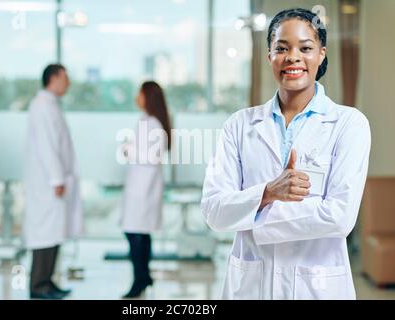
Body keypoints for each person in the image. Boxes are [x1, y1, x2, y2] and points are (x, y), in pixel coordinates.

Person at [201, 8, 371, 300]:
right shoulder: (239, 125)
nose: (292, 57)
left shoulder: (348, 123)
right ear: (269, 57)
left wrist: (254, 214)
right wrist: (267, 192)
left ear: (321, 55)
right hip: (251, 286)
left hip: (317, 286)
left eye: (305, 48)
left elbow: (340, 217)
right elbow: (215, 211)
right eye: (281, 48)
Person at [24, 64, 83, 299]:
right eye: (65, 78)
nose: (68, 83)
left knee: (54, 232)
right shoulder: (41, 107)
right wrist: (56, 178)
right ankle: (38, 286)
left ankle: (48, 282)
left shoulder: (51, 105)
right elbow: (47, 147)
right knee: (44, 235)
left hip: (54, 182)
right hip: (47, 183)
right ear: (53, 78)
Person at [119, 81, 171, 298]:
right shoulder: (146, 121)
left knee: (135, 233)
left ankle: (140, 279)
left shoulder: (153, 124)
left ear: (148, 97)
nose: (136, 97)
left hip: (144, 188)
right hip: (140, 186)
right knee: (139, 232)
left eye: (139, 94)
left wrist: (127, 150)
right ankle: (144, 276)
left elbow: (151, 156)